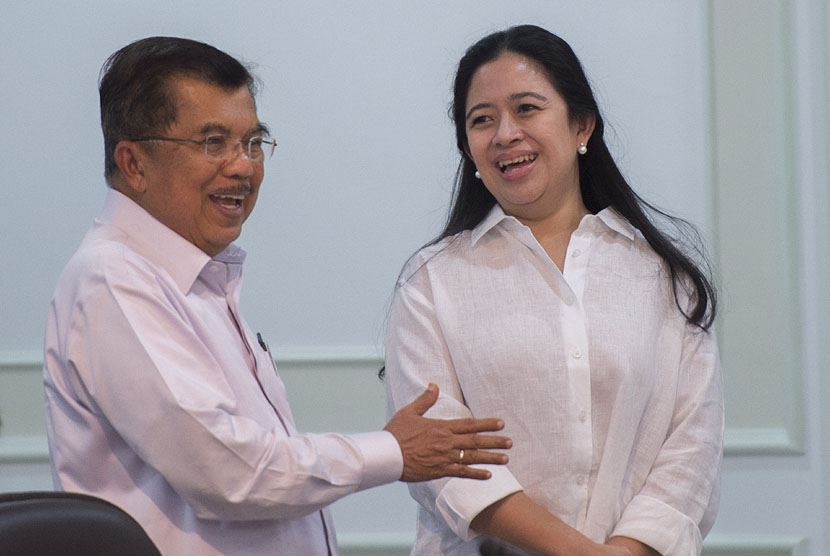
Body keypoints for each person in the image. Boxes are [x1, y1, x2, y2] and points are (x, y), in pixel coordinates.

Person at [42, 36, 513, 556]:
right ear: (133, 164)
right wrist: (393, 452)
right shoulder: (113, 281)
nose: (243, 166)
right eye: (212, 142)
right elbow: (228, 472)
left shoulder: (197, 278)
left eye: (252, 142)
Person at [383, 25, 723, 556]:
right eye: (482, 120)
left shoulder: (661, 275)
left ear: (581, 125)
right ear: (468, 148)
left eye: (526, 108)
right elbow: (443, 459)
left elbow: (690, 451)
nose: (504, 134)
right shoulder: (432, 281)